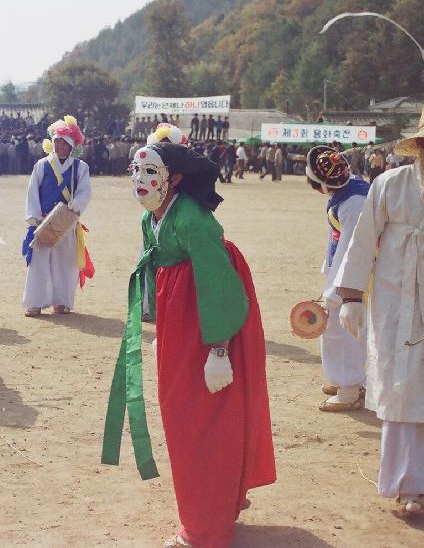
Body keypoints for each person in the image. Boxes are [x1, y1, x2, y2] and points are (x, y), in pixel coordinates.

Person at [103, 141, 276, 548]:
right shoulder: (152, 218)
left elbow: (218, 283)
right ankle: (219, 502)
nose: (139, 180)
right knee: (182, 409)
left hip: (209, 318)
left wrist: (219, 350)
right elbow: (159, 273)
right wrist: (163, 324)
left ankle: (204, 527)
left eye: (150, 172)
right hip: (182, 321)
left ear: (174, 179)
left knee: (200, 418)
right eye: (135, 170)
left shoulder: (193, 219)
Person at [334, 101, 424, 518]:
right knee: (404, 390)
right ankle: (408, 484)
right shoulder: (390, 184)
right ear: (423, 144)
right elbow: (361, 242)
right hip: (400, 308)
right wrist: (352, 297)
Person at [305, 146, 369, 412]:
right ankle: (340, 378)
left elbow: (352, 248)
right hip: (340, 269)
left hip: (352, 276)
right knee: (335, 329)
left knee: (343, 330)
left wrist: (336, 290)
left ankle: (351, 388)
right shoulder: (346, 189)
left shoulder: (354, 201)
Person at [22, 116, 94, 316]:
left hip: (67, 221)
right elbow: (32, 191)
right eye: (57, 142)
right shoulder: (42, 164)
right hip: (43, 220)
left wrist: (75, 206)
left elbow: (85, 191)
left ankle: (61, 302)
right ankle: (35, 302)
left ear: (72, 146)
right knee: (38, 262)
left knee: (66, 263)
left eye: (64, 143)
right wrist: (34, 217)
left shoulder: (81, 167)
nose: (60, 146)